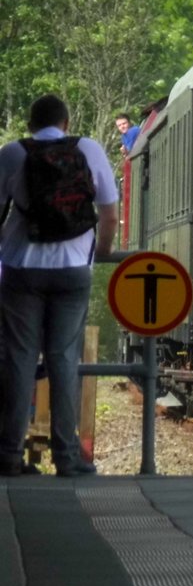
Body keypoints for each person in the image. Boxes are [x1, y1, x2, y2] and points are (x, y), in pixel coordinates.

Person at [0, 94, 118, 477]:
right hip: (72, 272)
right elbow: (109, 211)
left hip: (21, 269)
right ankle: (67, 459)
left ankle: (8, 456)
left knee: (18, 360)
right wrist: (98, 254)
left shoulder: (13, 154)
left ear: (31, 125)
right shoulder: (88, 149)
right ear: (66, 122)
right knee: (64, 360)